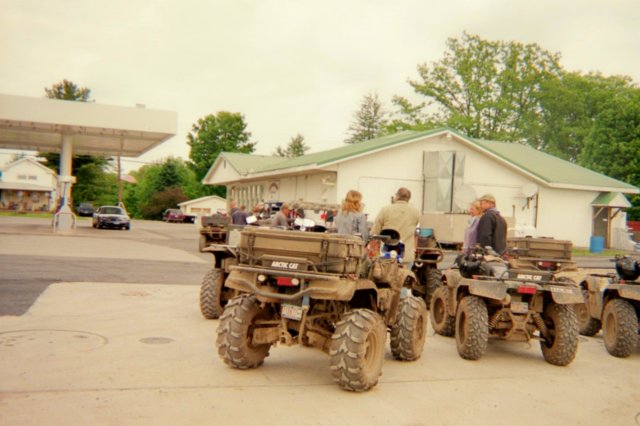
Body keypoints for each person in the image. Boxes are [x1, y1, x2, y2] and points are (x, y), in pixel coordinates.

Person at [371, 187, 420, 263]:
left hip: (387, 255)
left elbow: (375, 232)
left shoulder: (386, 209)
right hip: (406, 256)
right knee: (406, 274)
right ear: (409, 198)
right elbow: (419, 230)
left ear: (397, 196)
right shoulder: (415, 212)